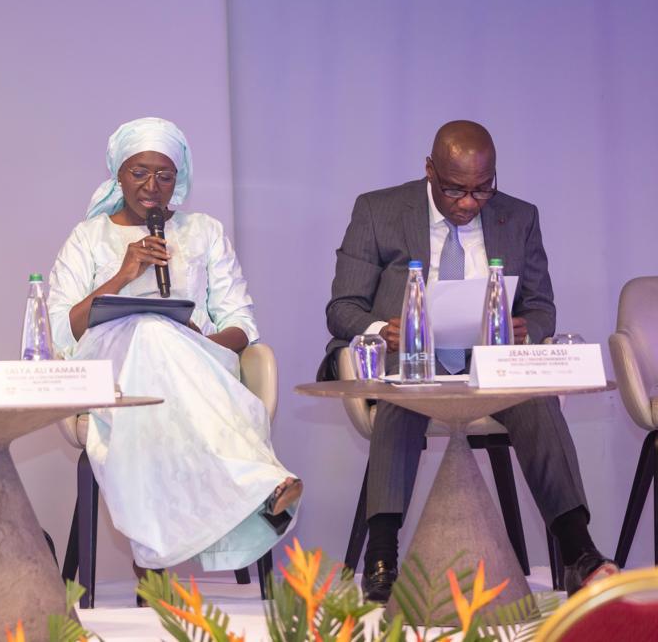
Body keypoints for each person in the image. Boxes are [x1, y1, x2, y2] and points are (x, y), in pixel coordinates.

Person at [321, 120, 617, 602]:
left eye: (482, 190)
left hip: (489, 366)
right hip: (412, 359)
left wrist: (527, 329)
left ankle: (578, 553)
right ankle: (382, 556)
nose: (468, 203)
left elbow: (541, 306)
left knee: (538, 401)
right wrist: (381, 330)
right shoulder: (378, 211)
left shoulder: (519, 217)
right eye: (455, 189)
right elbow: (342, 308)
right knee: (404, 395)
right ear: (429, 170)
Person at [48, 117, 302, 597]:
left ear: (178, 179)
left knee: (160, 338)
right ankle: (256, 483)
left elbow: (241, 324)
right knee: (148, 330)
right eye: (139, 172)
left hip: (197, 364)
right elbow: (62, 332)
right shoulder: (87, 237)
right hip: (112, 374)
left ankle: (154, 559)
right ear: (118, 175)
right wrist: (123, 275)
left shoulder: (204, 232)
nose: (152, 186)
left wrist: (195, 340)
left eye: (164, 175)